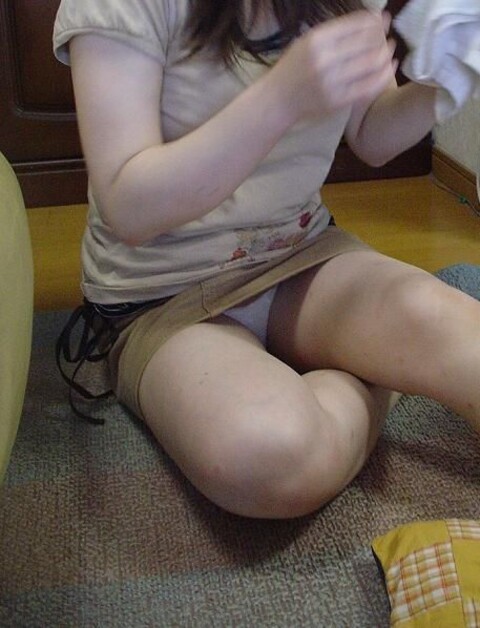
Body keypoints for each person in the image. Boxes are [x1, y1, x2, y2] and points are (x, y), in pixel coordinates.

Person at [53, 0, 480, 520]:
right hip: (161, 294)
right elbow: (130, 208)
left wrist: (456, 70)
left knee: (452, 328)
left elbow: (371, 133)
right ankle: (369, 374)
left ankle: (354, 369)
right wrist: (283, 96)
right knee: (272, 453)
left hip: (300, 254)